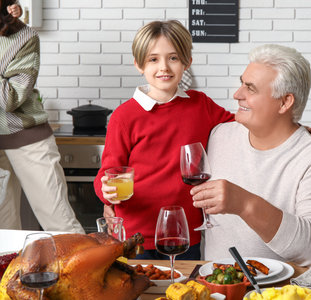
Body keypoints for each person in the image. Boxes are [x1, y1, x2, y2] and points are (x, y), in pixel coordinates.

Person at [93, 20, 234, 259]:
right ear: (139, 64)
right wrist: (107, 192)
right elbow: (107, 173)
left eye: (174, 58)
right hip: (136, 234)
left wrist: (294, 128)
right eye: (153, 59)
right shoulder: (124, 116)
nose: (164, 67)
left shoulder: (201, 104)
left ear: (187, 62)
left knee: (183, 293)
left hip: (187, 232)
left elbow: (242, 127)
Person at [190, 44, 311, 266]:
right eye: (242, 83)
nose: (237, 94)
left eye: (250, 88)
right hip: (217, 288)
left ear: (285, 102)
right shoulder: (218, 135)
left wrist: (244, 203)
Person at [0, 0, 84, 233]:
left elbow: (10, 99)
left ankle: (88, 268)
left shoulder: (24, 37)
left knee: (60, 224)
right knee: (3, 232)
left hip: (27, 138)